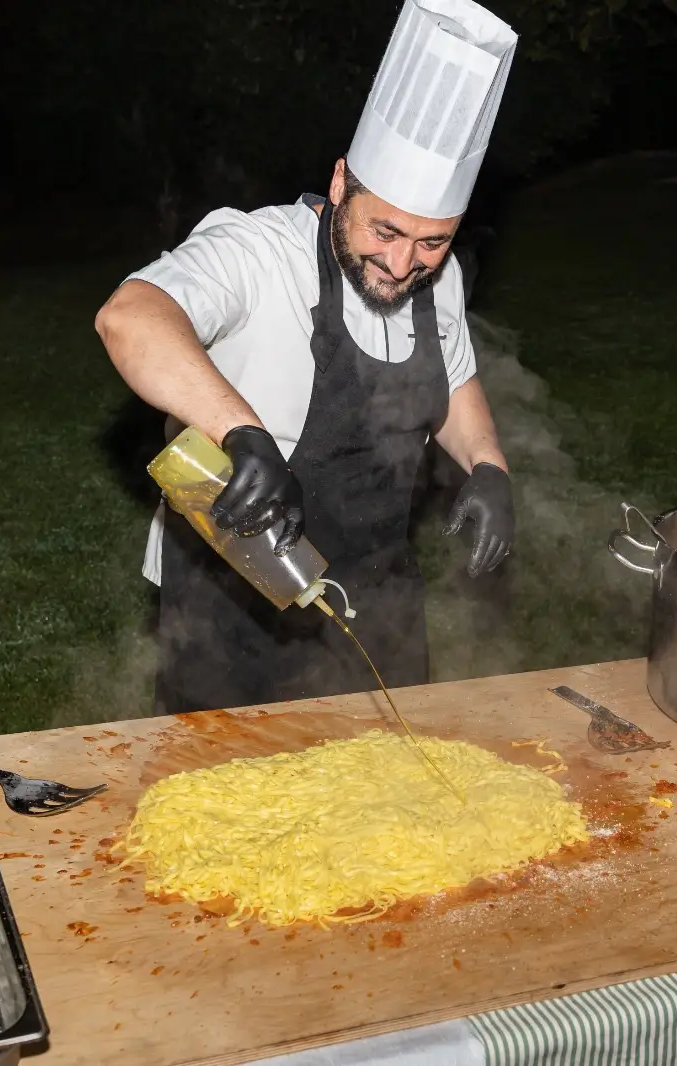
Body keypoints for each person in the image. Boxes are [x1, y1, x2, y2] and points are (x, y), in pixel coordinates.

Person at [95, 0, 520, 714]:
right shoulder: (257, 252)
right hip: (232, 602)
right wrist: (243, 433)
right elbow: (129, 318)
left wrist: (489, 465)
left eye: (431, 241)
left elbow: (454, 369)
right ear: (339, 184)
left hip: (379, 598)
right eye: (384, 230)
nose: (400, 263)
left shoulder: (430, 272)